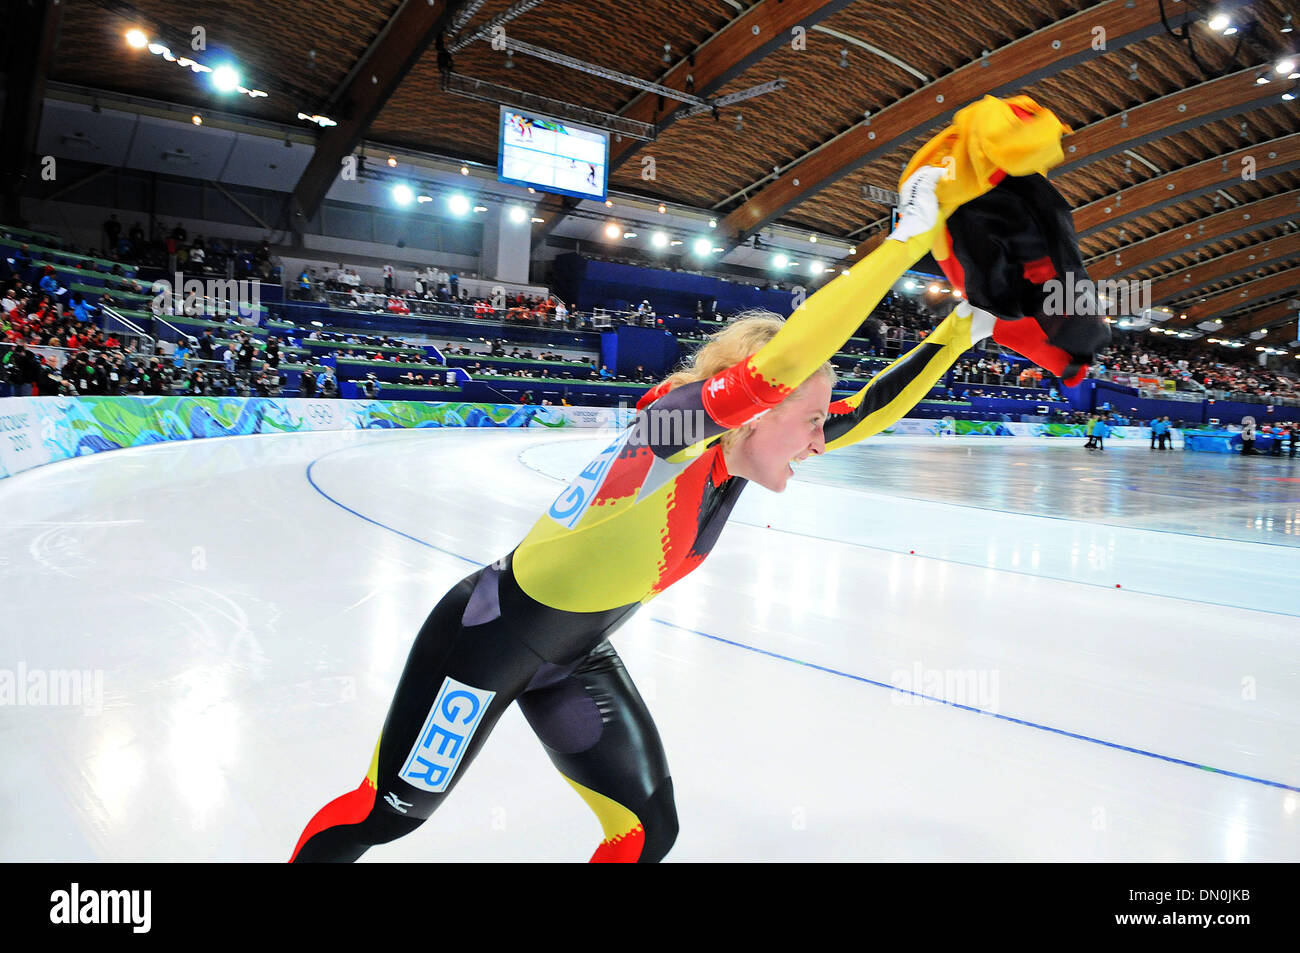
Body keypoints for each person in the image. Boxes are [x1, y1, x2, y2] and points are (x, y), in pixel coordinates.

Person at [289, 94, 1105, 864]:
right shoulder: (672, 431)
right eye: (811, 416)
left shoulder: (741, 455)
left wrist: (962, 331)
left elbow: (867, 410)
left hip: (573, 655)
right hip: (486, 639)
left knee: (648, 830)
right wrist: (900, 245)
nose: (826, 434)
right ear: (756, 411)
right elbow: (785, 361)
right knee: (387, 813)